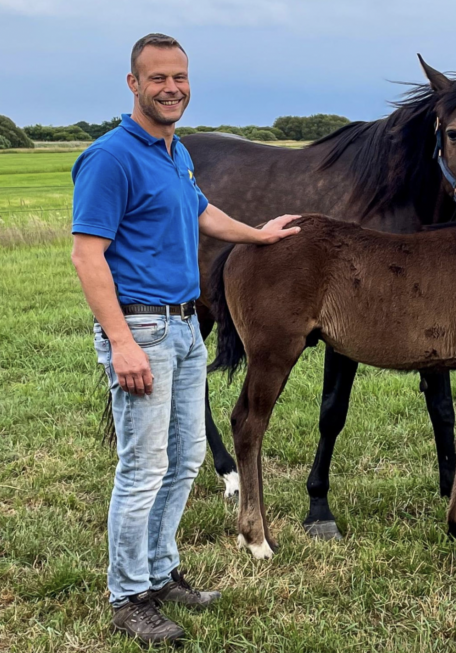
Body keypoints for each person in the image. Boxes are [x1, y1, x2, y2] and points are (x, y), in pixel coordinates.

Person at [70, 33, 300, 645]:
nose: (172, 88)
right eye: (158, 78)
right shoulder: (110, 157)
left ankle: (160, 573)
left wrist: (260, 235)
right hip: (141, 326)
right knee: (142, 468)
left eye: (180, 77)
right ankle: (128, 597)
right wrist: (120, 341)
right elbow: (87, 256)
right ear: (133, 84)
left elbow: (201, 211)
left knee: (185, 461)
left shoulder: (173, 152)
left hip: (184, 323)